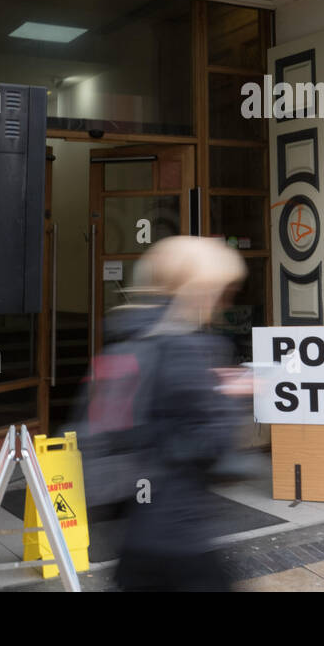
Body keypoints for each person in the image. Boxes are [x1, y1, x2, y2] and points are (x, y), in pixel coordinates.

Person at [113, 235, 251, 592]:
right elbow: (210, 445)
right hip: (179, 534)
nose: (221, 303)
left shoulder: (130, 339)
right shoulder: (185, 346)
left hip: (135, 531)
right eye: (222, 291)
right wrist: (228, 396)